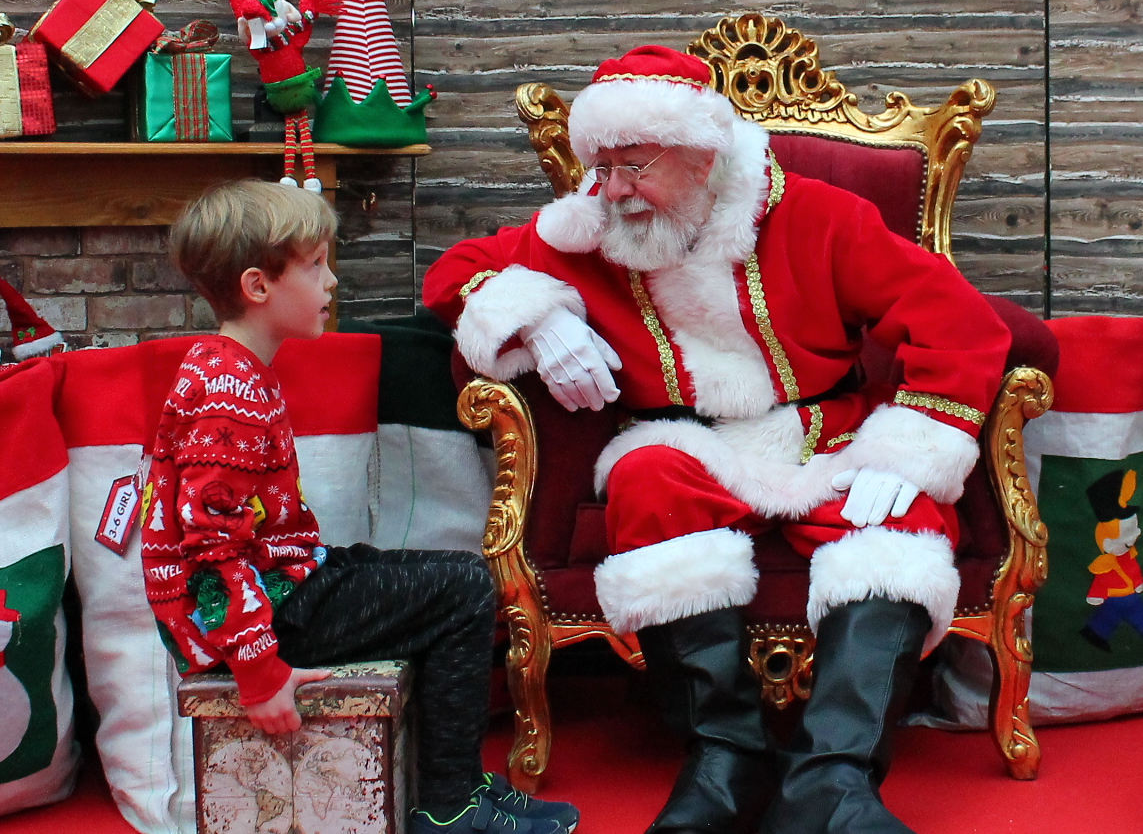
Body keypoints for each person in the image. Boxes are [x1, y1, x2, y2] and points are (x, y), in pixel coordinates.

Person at [422, 46, 1012, 834]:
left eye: (634, 165)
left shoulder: (815, 213)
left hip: (819, 438)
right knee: (645, 483)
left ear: (703, 157)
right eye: (603, 166)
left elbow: (955, 316)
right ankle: (722, 758)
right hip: (682, 444)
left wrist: (914, 441)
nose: (613, 190)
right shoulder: (589, 223)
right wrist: (536, 313)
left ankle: (830, 782)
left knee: (901, 519)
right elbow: (455, 274)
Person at [140, 180, 580, 834]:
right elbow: (210, 545)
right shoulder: (225, 391)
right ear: (259, 287)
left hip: (289, 581)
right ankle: (450, 806)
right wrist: (258, 669)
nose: (330, 281)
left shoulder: (232, 369)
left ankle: (453, 781)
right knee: (461, 586)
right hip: (267, 616)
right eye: (314, 266)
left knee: (413, 576)